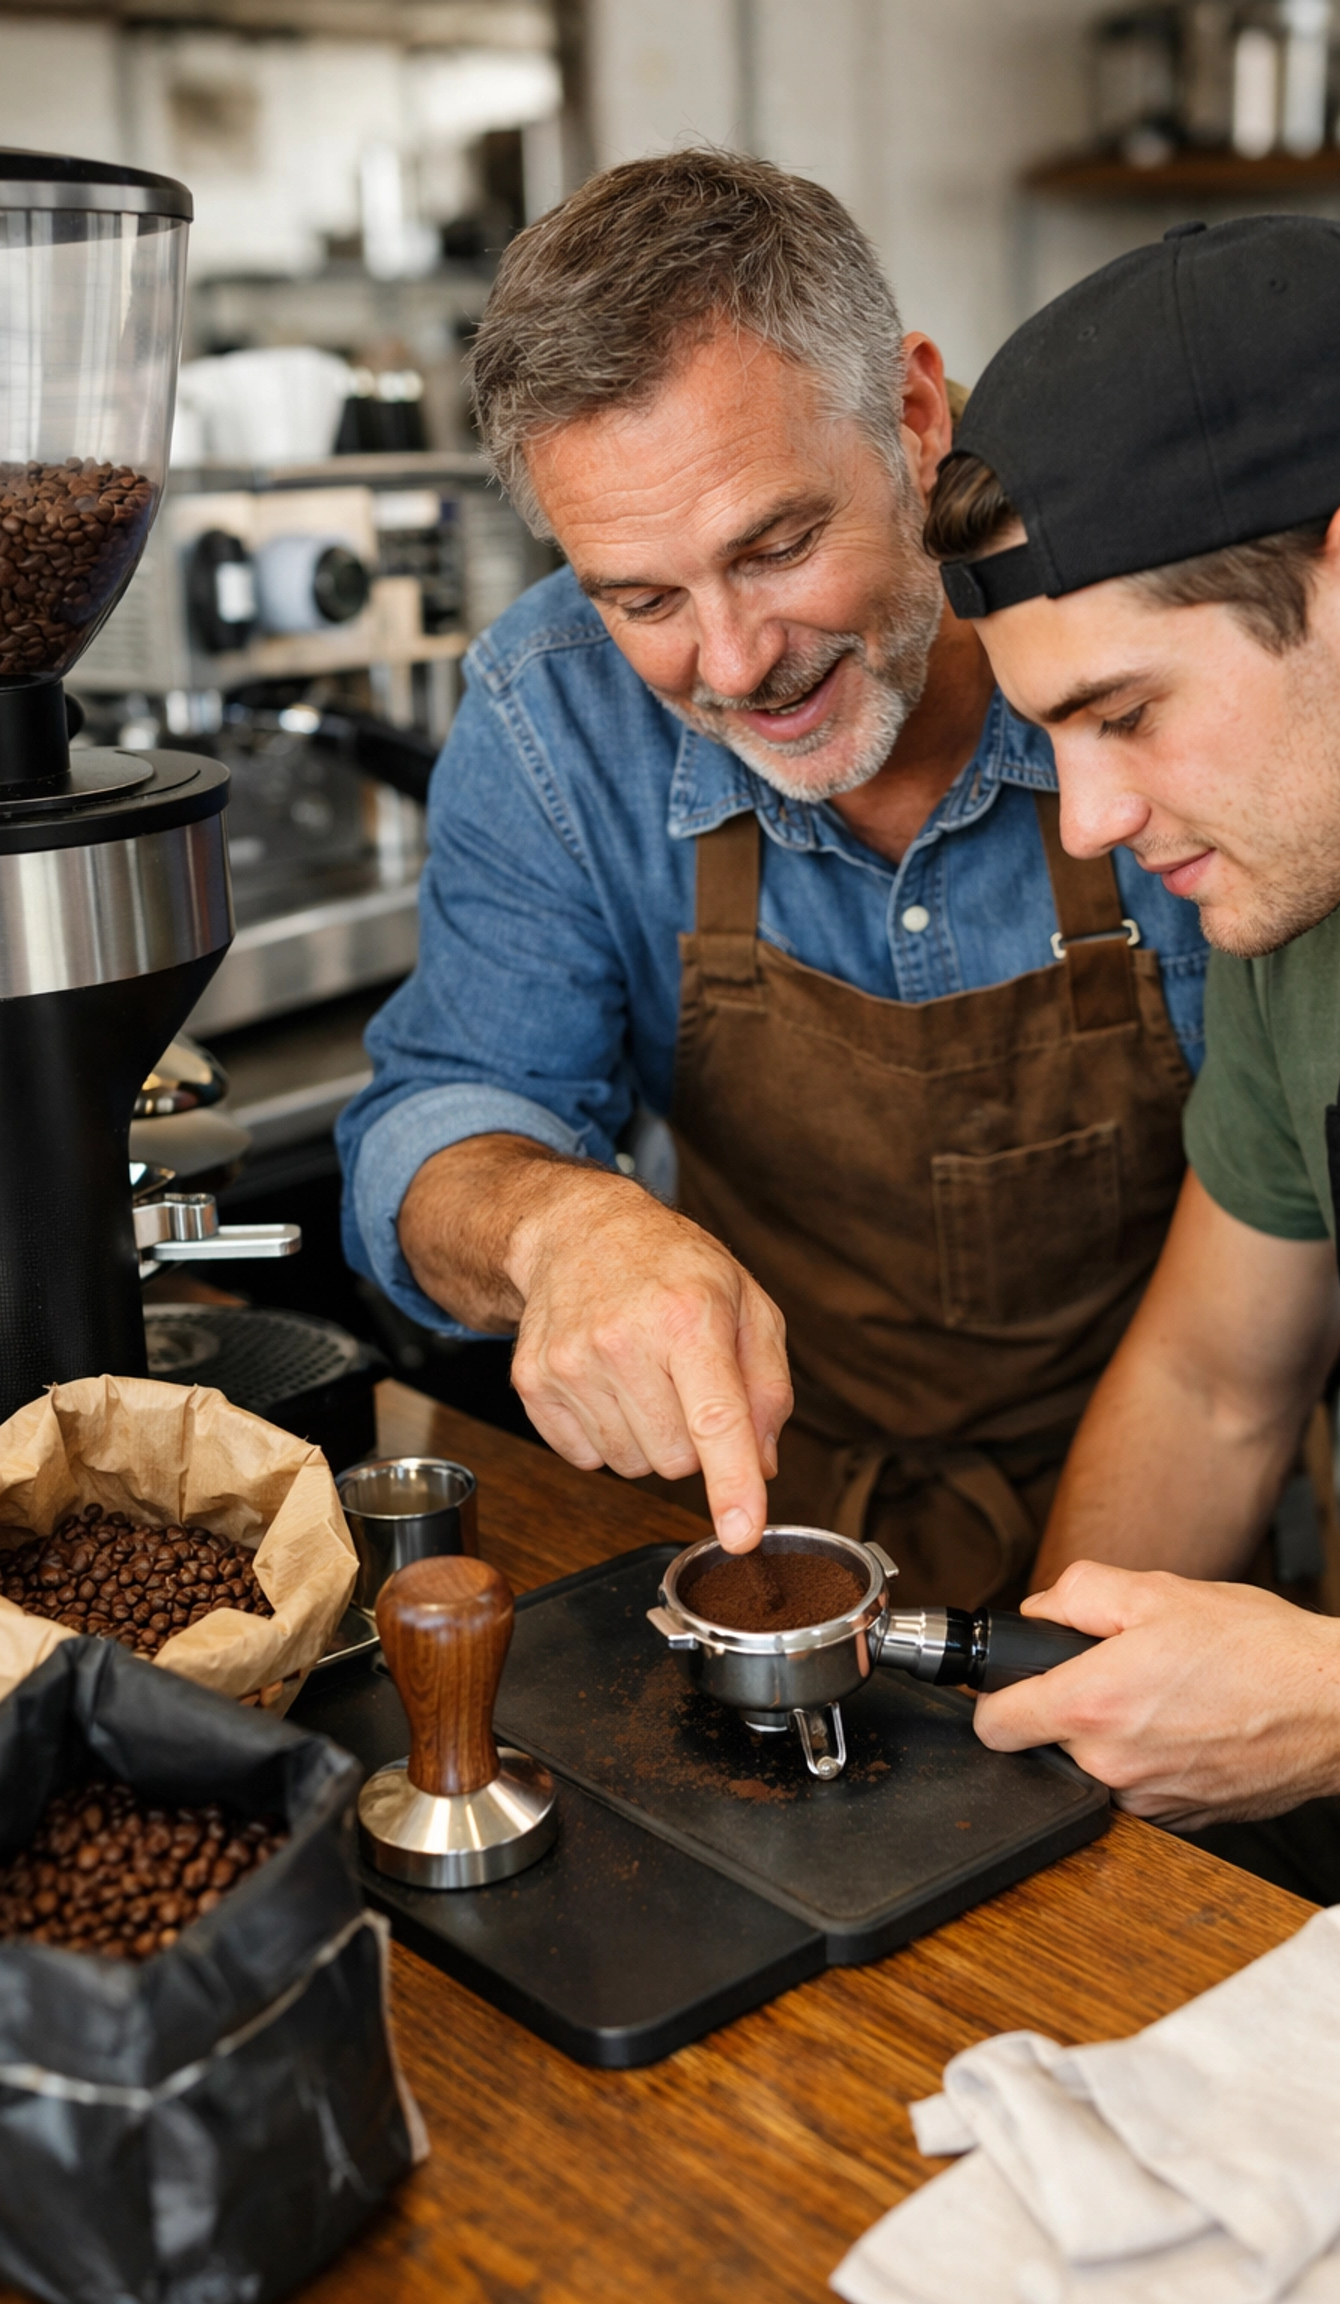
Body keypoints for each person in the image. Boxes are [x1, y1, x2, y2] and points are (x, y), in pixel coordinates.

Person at [337, 150, 1207, 1605]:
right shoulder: (553, 716)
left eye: (779, 545)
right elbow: (429, 1123)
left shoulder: (1149, 633)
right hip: (766, 1534)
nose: (735, 664)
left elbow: (1287, 1245)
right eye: (644, 598)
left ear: (915, 416)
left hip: (1180, 1524)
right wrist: (559, 1227)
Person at [924, 212, 1340, 1916]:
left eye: (1128, 714)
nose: (1088, 824)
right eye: (1051, 741)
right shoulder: (1316, 932)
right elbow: (1215, 1389)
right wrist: (1013, 1757)